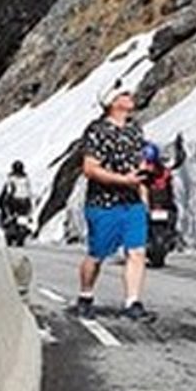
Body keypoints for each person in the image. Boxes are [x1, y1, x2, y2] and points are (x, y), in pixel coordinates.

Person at [73, 81, 155, 321]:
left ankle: (133, 302)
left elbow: (139, 164)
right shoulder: (97, 131)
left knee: (137, 252)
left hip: (132, 203)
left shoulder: (134, 130)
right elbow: (90, 168)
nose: (131, 97)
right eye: (124, 94)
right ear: (112, 102)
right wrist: (123, 180)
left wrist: (143, 192)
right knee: (97, 255)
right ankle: (85, 295)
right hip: (103, 203)